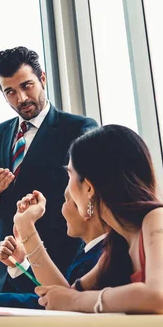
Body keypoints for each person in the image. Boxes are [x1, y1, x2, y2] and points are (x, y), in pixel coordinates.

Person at [0, 46, 99, 293]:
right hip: (8, 264)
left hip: (60, 262)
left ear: (42, 79)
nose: (21, 98)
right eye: (10, 91)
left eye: (26, 86)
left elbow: (91, 196)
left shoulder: (79, 128)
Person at [34, 125, 163, 313]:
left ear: (88, 188)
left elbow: (157, 297)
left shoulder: (156, 218)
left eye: (69, 174)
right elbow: (65, 295)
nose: (67, 187)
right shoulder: (117, 243)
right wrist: (26, 229)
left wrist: (75, 300)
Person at [0, 188, 107, 315]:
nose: (61, 210)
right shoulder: (89, 251)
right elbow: (54, 298)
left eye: (65, 200)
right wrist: (20, 264)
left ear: (87, 200)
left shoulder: (106, 257)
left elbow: (63, 306)